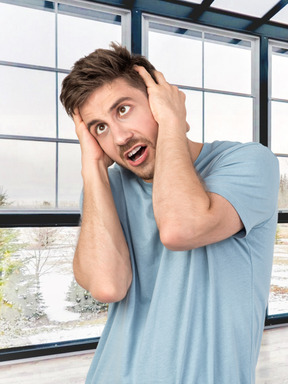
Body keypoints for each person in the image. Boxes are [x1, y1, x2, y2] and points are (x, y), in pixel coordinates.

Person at [60, 43, 279, 384]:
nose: (118, 136)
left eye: (123, 109)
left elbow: (180, 228)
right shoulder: (107, 187)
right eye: (99, 128)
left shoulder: (248, 162)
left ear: (159, 98)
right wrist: (92, 167)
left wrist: (172, 123)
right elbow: (107, 286)